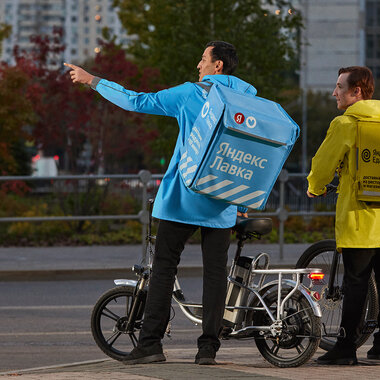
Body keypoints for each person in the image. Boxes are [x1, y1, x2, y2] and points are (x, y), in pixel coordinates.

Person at [64, 41, 254, 366]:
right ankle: (208, 348)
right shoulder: (248, 99)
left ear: (218, 65)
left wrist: (92, 79)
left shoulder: (190, 94)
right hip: (222, 200)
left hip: (184, 198)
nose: (198, 64)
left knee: (163, 268)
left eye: (203, 58)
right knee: (215, 275)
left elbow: (138, 101)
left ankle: (150, 343)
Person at [306, 66, 380, 365]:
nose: (334, 93)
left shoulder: (346, 124)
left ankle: (346, 348)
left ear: (356, 92)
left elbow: (324, 163)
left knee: (356, 282)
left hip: (359, 216)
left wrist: (315, 186)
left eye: (339, 87)